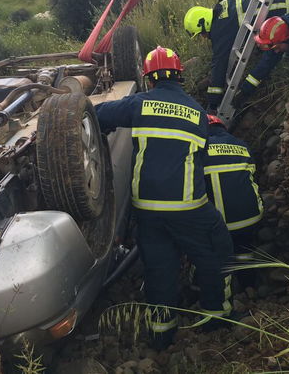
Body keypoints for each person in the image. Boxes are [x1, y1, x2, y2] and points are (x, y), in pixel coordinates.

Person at [94, 46, 233, 349]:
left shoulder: (139, 104)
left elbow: (99, 114)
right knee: (215, 252)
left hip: (147, 211)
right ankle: (215, 321)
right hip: (189, 209)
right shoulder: (197, 113)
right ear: (180, 76)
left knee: (158, 269)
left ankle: (161, 335)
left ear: (149, 79)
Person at [184, 0, 289, 113]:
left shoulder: (220, 29)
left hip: (282, 7)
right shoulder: (221, 6)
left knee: (278, 45)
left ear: (204, 23)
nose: (204, 37)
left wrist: (213, 101)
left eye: (202, 34)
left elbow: (219, 64)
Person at [203, 114, 264, 288]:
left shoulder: (200, 149)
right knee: (244, 246)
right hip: (252, 218)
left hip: (221, 225)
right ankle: (248, 284)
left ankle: (199, 287)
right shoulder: (242, 145)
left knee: (207, 253)